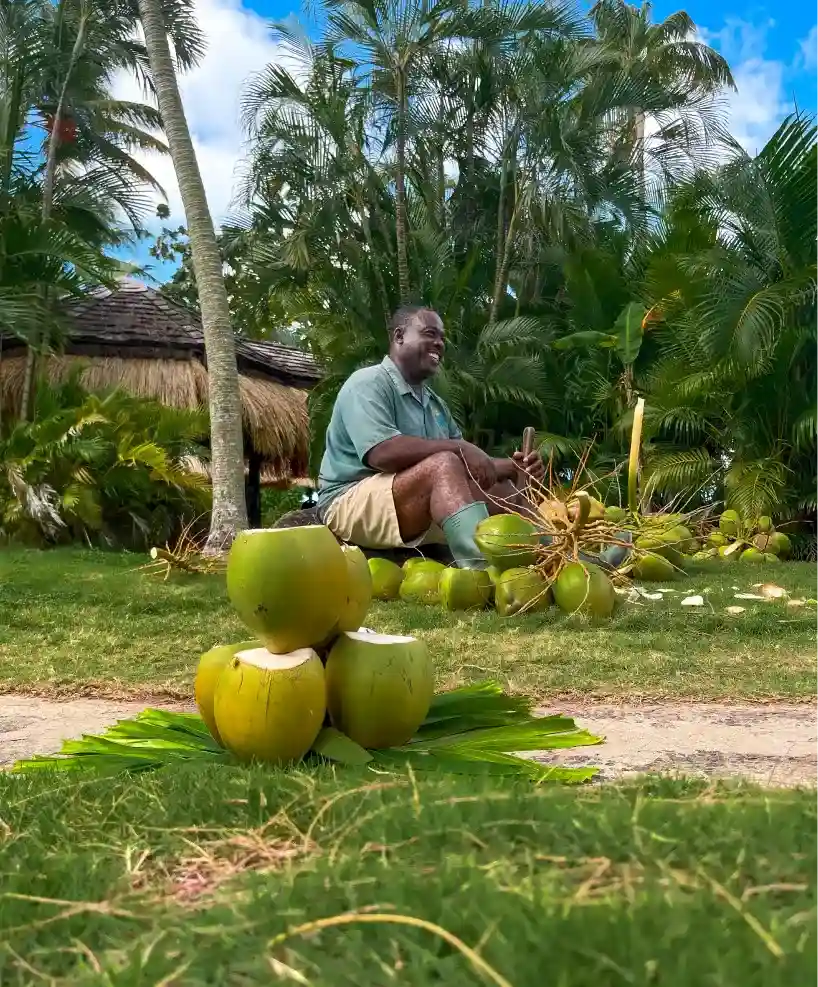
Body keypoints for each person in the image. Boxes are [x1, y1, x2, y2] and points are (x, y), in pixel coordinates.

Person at [317, 306, 545, 568]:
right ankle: (481, 572)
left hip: (405, 497)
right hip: (348, 499)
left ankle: (553, 557)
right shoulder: (367, 383)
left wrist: (515, 467)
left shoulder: (435, 404)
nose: (439, 343)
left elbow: (468, 467)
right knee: (444, 463)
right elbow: (382, 454)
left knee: (502, 490)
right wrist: (460, 448)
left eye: (442, 337)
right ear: (399, 336)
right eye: (429, 333)